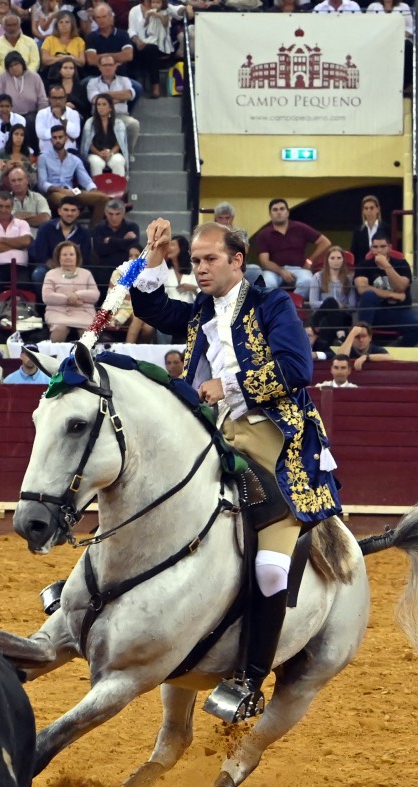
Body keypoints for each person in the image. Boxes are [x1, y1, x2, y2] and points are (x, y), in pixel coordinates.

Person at [130, 218, 341, 724]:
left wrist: (229, 386)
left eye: (208, 260)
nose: (199, 268)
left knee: (269, 566)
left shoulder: (272, 304)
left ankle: (249, 676)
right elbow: (150, 306)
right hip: (217, 433)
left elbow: (297, 367)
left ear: (236, 261)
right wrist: (154, 257)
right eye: (195, 261)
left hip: (274, 440)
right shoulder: (201, 309)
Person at [353, 233, 418, 346]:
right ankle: (364, 345)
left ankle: (394, 349)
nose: (379, 250)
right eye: (375, 247)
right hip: (375, 313)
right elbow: (362, 289)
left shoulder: (401, 264)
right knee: (369, 296)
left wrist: (386, 265)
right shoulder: (364, 265)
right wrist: (393, 295)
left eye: (383, 246)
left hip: (399, 311)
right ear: (371, 248)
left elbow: (401, 286)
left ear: (390, 248)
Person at [253, 198, 331, 297]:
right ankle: (278, 308)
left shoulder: (300, 228)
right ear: (270, 214)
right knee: (267, 283)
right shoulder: (264, 234)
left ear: (287, 212)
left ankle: (290, 306)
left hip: (299, 269)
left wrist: (310, 261)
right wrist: (282, 272)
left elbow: (325, 242)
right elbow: (264, 261)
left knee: (308, 281)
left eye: (282, 209)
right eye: (275, 210)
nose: (279, 212)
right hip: (274, 271)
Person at [37, 126, 109, 224]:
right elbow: (42, 184)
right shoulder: (43, 158)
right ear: (51, 140)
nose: (57, 140)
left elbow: (87, 181)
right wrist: (62, 190)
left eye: (60, 137)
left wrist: (93, 191)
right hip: (53, 193)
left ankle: (93, 232)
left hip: (72, 191)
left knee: (102, 198)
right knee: (66, 199)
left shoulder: (74, 159)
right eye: (55, 138)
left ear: (66, 138)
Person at [42, 240, 99, 342]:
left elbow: (95, 295)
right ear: (58, 257)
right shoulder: (51, 274)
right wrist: (67, 298)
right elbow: (47, 297)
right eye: (64, 255)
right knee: (60, 329)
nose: (68, 257)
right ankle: (55, 356)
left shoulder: (86, 274)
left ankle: (86, 358)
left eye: (71, 254)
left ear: (76, 257)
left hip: (83, 312)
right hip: (58, 312)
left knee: (87, 333)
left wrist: (76, 295)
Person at [85, 54, 140, 153]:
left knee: (133, 124)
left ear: (116, 66)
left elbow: (129, 95)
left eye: (110, 65)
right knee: (88, 126)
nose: (108, 67)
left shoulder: (124, 80)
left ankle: (126, 154)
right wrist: (120, 98)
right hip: (99, 117)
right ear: (100, 67)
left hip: (120, 115)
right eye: (105, 65)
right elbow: (95, 99)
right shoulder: (92, 82)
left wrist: (106, 96)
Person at [31, 195, 91, 283]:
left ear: (78, 213)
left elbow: (84, 257)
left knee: (89, 275)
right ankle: (45, 297)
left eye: (73, 210)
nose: (69, 214)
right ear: (59, 211)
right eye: (66, 210)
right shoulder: (46, 228)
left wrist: (69, 270)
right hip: (49, 267)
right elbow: (41, 254)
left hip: (75, 268)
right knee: (39, 274)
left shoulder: (84, 232)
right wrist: (59, 270)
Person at [0, 190, 33, 286]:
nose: (3, 210)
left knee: (24, 285)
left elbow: (26, 242)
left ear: (12, 207)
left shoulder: (22, 224)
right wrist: (18, 245)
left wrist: (2, 240)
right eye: (0, 206)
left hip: (19, 268)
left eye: (7, 207)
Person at [308, 245, 357, 339]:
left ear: (343, 260)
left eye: (339, 258)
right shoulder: (318, 277)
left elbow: (352, 305)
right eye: (332, 258)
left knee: (329, 319)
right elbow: (313, 303)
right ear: (327, 260)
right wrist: (332, 304)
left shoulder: (349, 279)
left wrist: (341, 306)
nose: (336, 261)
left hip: (342, 315)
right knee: (330, 302)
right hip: (321, 314)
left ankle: (328, 343)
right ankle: (340, 334)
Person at [89, 196, 139, 287]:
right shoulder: (98, 228)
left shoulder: (132, 227)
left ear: (123, 214)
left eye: (117, 214)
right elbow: (100, 250)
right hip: (104, 270)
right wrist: (124, 240)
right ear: (105, 213)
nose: (114, 218)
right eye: (111, 214)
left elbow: (133, 249)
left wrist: (111, 240)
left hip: (126, 269)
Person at [128, 0, 171, 99]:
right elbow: (131, 29)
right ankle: (132, 85)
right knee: (130, 47)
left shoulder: (164, 9)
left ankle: (155, 85)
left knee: (151, 49)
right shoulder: (134, 11)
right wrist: (137, 40)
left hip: (156, 43)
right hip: (139, 42)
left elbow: (177, 10)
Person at [80, 93, 127, 179]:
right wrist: (99, 153)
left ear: (110, 107)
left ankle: (119, 189)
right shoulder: (89, 123)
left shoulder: (118, 123)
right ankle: (96, 190)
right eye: (98, 104)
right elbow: (88, 144)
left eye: (104, 104)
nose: (100, 107)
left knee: (118, 161)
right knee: (95, 162)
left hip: (112, 152)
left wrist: (110, 153)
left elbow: (119, 143)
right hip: (96, 153)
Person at [0, 51, 46, 120]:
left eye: (16, 64)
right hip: (9, 115)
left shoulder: (35, 77)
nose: (14, 68)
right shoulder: (2, 78)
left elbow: (42, 100)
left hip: (31, 114)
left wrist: (41, 117)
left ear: (22, 64)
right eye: (11, 66)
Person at [0, 12, 39, 78]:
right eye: (9, 25)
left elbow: (35, 63)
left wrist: (24, 75)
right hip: (3, 80)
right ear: (4, 27)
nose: (12, 28)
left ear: (19, 26)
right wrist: (8, 77)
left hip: (27, 78)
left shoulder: (31, 42)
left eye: (14, 25)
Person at [34, 84, 82, 152]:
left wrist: (61, 117)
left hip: (69, 152)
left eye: (60, 98)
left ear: (65, 98)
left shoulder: (73, 114)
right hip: (47, 153)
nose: (58, 101)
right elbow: (41, 134)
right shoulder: (42, 114)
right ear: (49, 99)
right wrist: (64, 135)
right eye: (54, 98)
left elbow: (75, 134)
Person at [349, 195, 390, 266]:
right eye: (366, 208)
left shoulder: (386, 228)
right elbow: (354, 252)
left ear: (378, 209)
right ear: (363, 211)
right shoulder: (358, 231)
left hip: (383, 265)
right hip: (363, 267)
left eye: (371, 208)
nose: (369, 211)